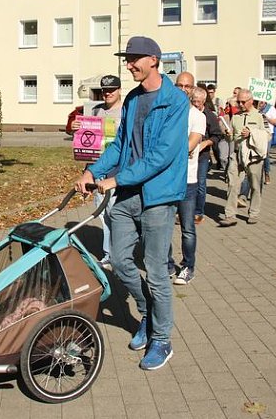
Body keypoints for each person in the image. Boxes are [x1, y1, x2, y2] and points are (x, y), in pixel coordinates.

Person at [75, 35, 188, 371]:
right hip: (128, 196)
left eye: (134, 59)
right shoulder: (134, 99)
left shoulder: (175, 101)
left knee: (156, 272)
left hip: (157, 197)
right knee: (121, 262)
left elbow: (161, 155)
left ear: (154, 60)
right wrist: (93, 170)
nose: (128, 65)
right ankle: (148, 314)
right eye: (127, 59)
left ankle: (162, 339)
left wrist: (116, 179)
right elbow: (121, 144)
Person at [166, 72, 206, 286]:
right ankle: (168, 265)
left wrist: (173, 150)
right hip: (166, 179)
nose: (183, 90)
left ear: (192, 89)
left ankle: (188, 266)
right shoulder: (168, 112)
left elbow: (191, 144)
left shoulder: (198, 116)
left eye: (187, 86)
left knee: (187, 228)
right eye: (179, 85)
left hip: (187, 180)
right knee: (164, 226)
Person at [82, 74, 123, 268]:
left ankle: (119, 254)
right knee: (103, 213)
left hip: (116, 171)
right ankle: (109, 254)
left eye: (111, 90)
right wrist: (76, 127)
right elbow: (86, 139)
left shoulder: (126, 111)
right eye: (105, 90)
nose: (107, 93)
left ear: (119, 90)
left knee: (115, 213)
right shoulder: (96, 110)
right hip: (97, 170)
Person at [218, 89, 268, 226]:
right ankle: (230, 215)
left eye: (243, 102)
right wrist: (228, 135)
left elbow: (267, 135)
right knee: (232, 183)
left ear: (251, 101)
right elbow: (231, 137)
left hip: (253, 155)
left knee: (255, 185)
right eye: (238, 102)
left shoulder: (260, 116)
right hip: (237, 153)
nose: (240, 104)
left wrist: (252, 133)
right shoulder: (236, 116)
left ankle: (254, 213)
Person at [192, 86, 222, 226]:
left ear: (204, 101)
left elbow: (217, 135)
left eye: (198, 101)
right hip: (188, 155)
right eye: (193, 101)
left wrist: (206, 143)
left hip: (202, 156)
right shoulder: (188, 113)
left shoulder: (209, 116)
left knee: (200, 184)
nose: (196, 104)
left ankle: (198, 212)